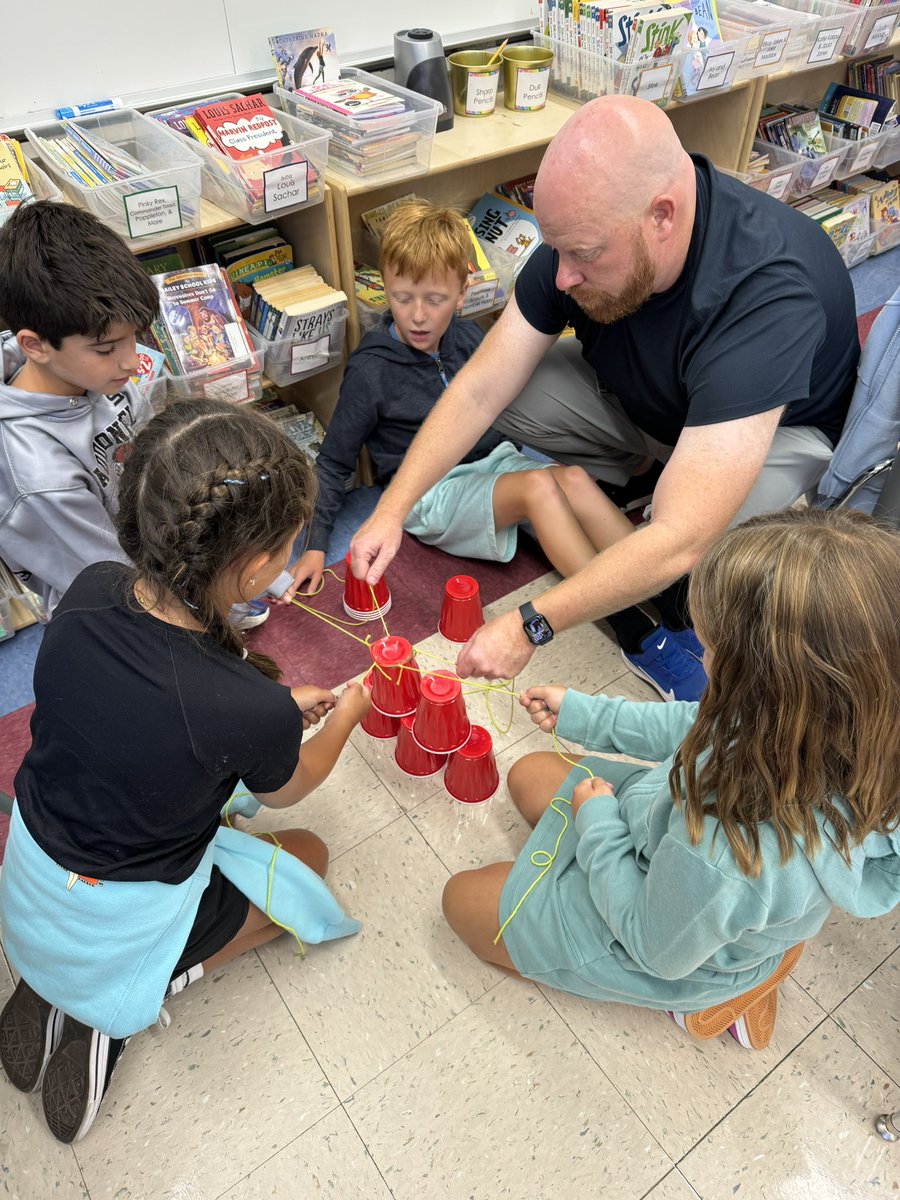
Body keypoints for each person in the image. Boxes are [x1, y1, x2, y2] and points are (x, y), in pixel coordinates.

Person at [350, 95, 860, 686]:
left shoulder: (765, 294)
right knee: (512, 383)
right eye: (556, 249)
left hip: (773, 435)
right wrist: (392, 509)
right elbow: (481, 388)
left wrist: (530, 624)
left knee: (710, 570)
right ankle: (643, 473)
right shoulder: (583, 237)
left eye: (585, 255)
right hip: (660, 407)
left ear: (662, 217)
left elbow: (679, 538)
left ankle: (664, 500)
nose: (563, 276)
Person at [0, 399, 371, 1143]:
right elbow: (291, 785)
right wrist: (353, 708)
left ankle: (49, 982)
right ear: (255, 568)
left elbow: (152, 717)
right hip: (120, 916)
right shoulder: (242, 708)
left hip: (32, 873)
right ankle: (128, 998)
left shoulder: (91, 588)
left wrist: (266, 708)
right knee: (309, 860)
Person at [441, 508, 900, 1050]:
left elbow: (654, 944)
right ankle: (749, 954)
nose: (699, 655)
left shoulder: (726, 849)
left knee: (459, 901)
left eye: (709, 649)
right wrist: (587, 716)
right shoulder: (834, 726)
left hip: (661, 936)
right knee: (529, 773)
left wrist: (598, 826)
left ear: (765, 685)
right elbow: (696, 726)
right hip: (665, 845)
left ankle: (711, 999)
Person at [287, 201, 704, 695]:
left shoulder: (467, 337)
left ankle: (675, 596)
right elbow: (333, 463)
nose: (418, 316)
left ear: (463, 294)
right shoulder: (370, 369)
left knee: (570, 478)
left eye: (435, 299)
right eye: (402, 298)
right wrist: (314, 546)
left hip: (493, 463)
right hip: (427, 494)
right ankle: (636, 632)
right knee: (539, 488)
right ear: (384, 291)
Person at [0, 201, 274, 629]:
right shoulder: (38, 477)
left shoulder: (90, 371)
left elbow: (158, 460)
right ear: (35, 345)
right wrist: (204, 606)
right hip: (118, 613)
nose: (132, 363)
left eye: (134, 337)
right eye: (108, 348)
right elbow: (115, 582)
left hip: (160, 558)